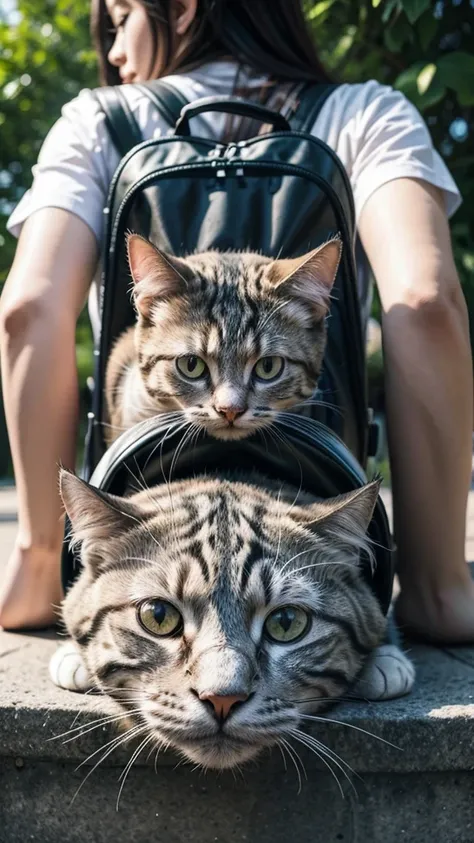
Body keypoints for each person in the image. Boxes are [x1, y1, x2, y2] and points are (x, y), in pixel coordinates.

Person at [1, 0, 472, 643]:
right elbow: (424, 302)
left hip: (151, 538)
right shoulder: (369, 112)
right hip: (304, 522)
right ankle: (442, 589)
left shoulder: (96, 122)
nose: (112, 49)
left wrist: (39, 555)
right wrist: (436, 582)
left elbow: (28, 311)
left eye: (119, 16)